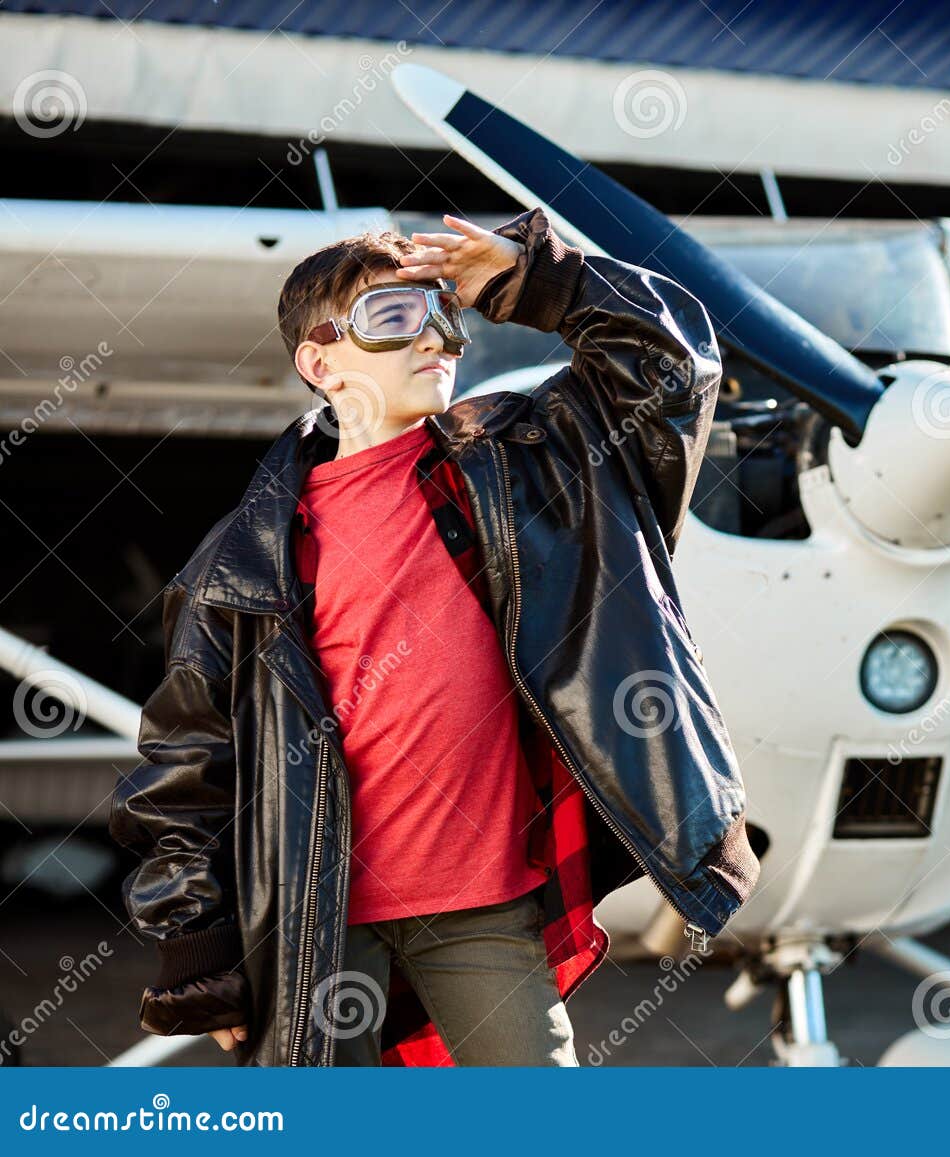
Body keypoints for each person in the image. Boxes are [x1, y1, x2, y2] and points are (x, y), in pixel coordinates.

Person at [109, 207, 760, 1065]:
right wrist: (199, 946)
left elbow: (672, 364)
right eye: (393, 315)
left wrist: (533, 278)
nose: (437, 339)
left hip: (484, 907)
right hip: (314, 921)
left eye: (446, 315)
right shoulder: (240, 560)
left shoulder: (537, 464)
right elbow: (186, 759)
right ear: (319, 363)